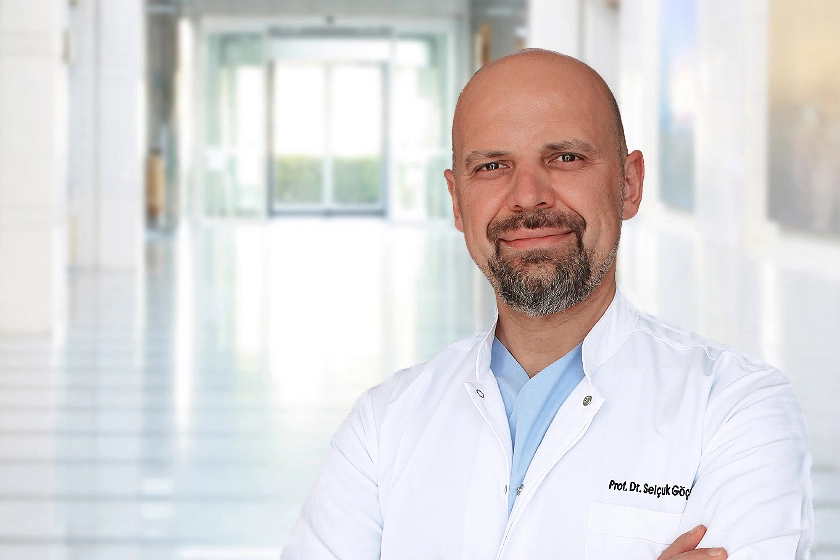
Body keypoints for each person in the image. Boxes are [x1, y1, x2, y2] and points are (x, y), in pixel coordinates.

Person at [281, 49, 813, 559]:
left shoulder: (736, 409)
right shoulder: (383, 425)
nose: (528, 195)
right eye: (492, 166)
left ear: (628, 185)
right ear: (457, 201)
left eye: (565, 158)